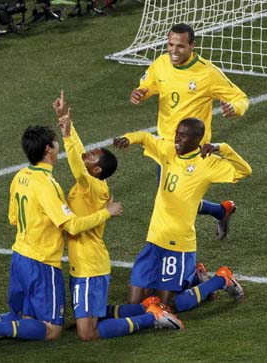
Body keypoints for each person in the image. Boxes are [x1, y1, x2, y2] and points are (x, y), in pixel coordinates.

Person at [0, 124, 123, 350]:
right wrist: (107, 212)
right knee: (52, 330)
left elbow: (13, 219)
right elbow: (72, 226)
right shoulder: (47, 185)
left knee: (24, 317)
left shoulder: (20, 176)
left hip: (20, 256)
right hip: (42, 264)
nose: (58, 146)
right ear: (48, 149)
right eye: (56, 142)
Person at [52, 91, 184, 341]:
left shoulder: (90, 185)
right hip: (90, 264)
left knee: (87, 334)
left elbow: (76, 164)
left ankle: (152, 317)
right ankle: (149, 307)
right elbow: (80, 156)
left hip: (89, 267)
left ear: (97, 169)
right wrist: (67, 124)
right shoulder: (94, 182)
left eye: (93, 156)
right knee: (91, 319)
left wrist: (67, 135)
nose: (87, 154)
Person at [113, 117, 252, 311]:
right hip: (154, 239)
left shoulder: (207, 163)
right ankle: (193, 276)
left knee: (167, 305)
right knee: (135, 303)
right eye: (177, 134)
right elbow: (145, 138)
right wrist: (128, 138)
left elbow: (245, 170)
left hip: (178, 245)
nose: (177, 139)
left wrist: (222, 147)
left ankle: (222, 280)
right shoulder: (168, 150)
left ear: (198, 139)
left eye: (183, 136)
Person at [130, 23, 250, 240]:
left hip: (192, 150)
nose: (174, 51)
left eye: (181, 46)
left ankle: (184, 259)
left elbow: (240, 97)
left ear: (192, 46)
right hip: (166, 145)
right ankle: (220, 211)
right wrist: (141, 93)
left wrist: (235, 108)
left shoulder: (207, 73)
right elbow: (149, 85)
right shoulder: (161, 64)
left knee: (173, 204)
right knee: (173, 201)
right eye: (170, 45)